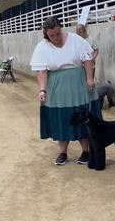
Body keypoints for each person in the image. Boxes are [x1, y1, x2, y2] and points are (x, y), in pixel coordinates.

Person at [30, 16, 102, 166]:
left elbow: (88, 60)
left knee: (84, 116)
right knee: (61, 119)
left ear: (61, 28)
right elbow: (41, 71)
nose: (55, 38)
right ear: (46, 34)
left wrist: (90, 78)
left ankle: (86, 151)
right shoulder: (42, 47)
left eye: (57, 33)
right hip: (57, 89)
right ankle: (63, 153)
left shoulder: (75, 39)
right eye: (51, 35)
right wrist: (42, 90)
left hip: (79, 85)